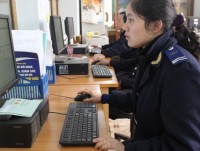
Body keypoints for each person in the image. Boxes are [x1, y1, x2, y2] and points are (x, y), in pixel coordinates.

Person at [77, 0, 200, 150]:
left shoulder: (181, 71)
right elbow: (143, 99)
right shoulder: (151, 55)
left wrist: (125, 148)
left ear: (156, 25)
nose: (124, 27)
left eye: (131, 20)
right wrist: (104, 97)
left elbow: (184, 146)